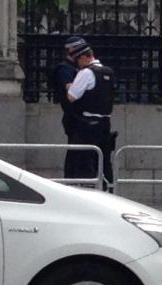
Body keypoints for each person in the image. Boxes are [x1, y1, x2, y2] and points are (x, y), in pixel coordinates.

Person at [66, 38, 117, 188]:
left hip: (88, 124)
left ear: (83, 57)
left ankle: (88, 192)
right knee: (105, 161)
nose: (77, 64)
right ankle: (109, 190)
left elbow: (72, 96)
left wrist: (70, 85)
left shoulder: (86, 73)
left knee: (85, 161)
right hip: (105, 123)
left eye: (77, 60)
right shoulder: (108, 72)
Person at [51, 37, 80, 179]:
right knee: (75, 152)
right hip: (72, 116)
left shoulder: (75, 68)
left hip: (77, 116)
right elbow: (70, 90)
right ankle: (71, 180)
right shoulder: (65, 69)